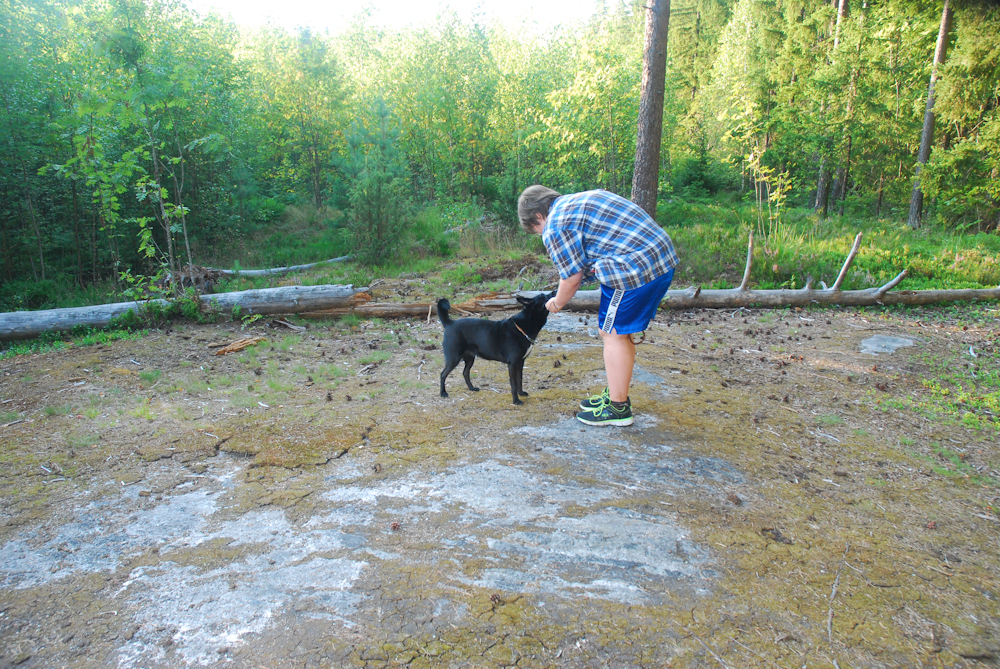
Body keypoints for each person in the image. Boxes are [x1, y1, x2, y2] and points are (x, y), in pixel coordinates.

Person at [517, 186, 678, 426]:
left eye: (536, 230)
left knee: (611, 333)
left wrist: (557, 303)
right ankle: (617, 394)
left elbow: (571, 278)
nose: (542, 235)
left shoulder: (555, 225)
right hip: (658, 258)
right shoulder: (576, 202)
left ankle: (618, 408)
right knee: (618, 333)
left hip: (634, 268)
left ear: (538, 216)